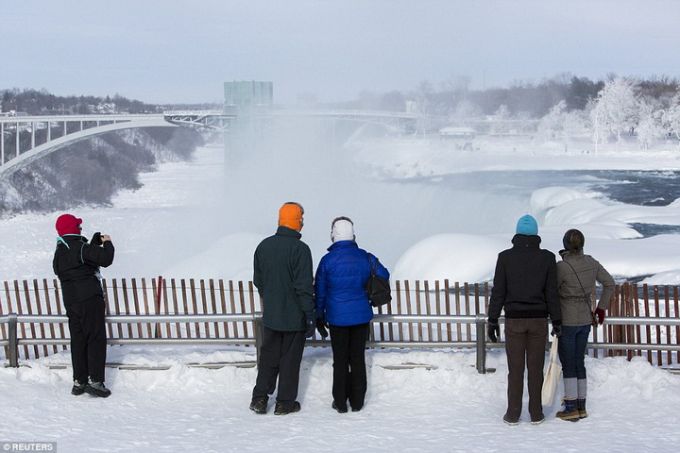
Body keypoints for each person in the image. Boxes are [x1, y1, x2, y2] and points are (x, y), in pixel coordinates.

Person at [487, 214, 561, 425]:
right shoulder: (547, 258)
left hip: (514, 321)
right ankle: (536, 413)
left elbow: (498, 292)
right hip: (538, 321)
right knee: (536, 369)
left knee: (516, 369)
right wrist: (557, 321)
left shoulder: (505, 257)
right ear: (536, 234)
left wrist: (492, 320)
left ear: (517, 233)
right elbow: (552, 293)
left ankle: (513, 413)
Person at [314, 216, 389, 413]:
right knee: (357, 358)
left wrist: (319, 315)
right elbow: (384, 274)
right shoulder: (365, 257)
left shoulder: (327, 261)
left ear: (333, 235)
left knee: (340, 360)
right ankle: (357, 402)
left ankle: (340, 402)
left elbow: (320, 291)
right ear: (353, 234)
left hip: (337, 318)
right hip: (361, 317)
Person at [250, 202, 315, 415]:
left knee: (268, 357)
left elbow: (258, 280)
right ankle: (284, 403)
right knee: (289, 360)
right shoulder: (301, 250)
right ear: (297, 222)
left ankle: (259, 399)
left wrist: (272, 296)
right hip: (294, 317)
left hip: (271, 315)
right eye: (302, 219)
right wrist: (310, 316)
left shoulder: (263, 246)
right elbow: (304, 287)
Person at [52, 213, 115, 398]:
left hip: (71, 302)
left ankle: (79, 382)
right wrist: (108, 242)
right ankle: (96, 382)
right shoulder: (79, 247)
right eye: (78, 227)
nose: (80, 229)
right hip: (89, 299)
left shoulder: (60, 251)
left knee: (78, 341)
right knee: (95, 338)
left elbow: (83, 260)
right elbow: (105, 259)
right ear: (74, 229)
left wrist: (93, 243)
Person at [555, 229, 614, 421]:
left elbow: (552, 291)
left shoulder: (562, 267)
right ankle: (582, 405)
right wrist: (601, 308)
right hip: (585, 320)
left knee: (568, 362)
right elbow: (609, 283)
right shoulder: (592, 262)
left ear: (565, 245)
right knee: (579, 361)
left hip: (568, 319)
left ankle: (570, 406)